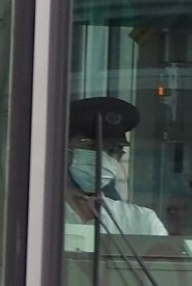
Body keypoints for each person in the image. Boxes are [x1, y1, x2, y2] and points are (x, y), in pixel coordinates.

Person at [64, 95, 167, 236]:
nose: (103, 157)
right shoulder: (37, 216)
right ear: (64, 147)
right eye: (91, 146)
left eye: (112, 151)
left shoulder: (141, 222)